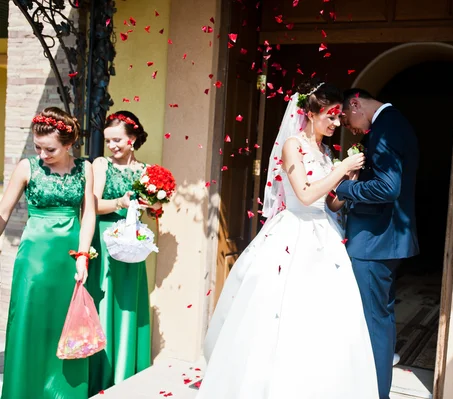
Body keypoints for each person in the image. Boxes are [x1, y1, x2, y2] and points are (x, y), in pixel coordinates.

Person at [197, 81, 379, 399]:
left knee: (324, 318)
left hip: (326, 234)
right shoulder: (292, 146)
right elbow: (306, 195)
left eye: (339, 117)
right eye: (331, 116)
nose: (337, 124)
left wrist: (347, 183)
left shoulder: (325, 151)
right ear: (310, 113)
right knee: (280, 312)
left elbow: (330, 202)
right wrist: (340, 171)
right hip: (293, 234)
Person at [0, 107, 95, 398]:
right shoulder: (27, 167)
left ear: (69, 145)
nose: (42, 154)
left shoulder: (85, 168)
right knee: (30, 324)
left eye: (50, 148)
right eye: (37, 146)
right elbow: (3, 213)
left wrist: (82, 256)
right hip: (34, 261)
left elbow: (88, 214)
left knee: (66, 327)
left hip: (68, 261)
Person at [338, 88, 420, 399]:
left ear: (355, 103)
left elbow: (388, 188)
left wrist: (345, 187)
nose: (350, 128)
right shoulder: (394, 121)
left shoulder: (386, 126)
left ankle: (375, 392)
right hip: (383, 240)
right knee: (378, 318)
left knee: (373, 322)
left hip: (374, 242)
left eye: (347, 120)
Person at [87, 111, 160, 395]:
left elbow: (153, 211)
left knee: (129, 301)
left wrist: (155, 203)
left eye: (117, 140)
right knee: (106, 301)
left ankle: (127, 372)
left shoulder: (146, 171)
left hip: (133, 245)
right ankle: (104, 374)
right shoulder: (102, 165)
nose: (112, 146)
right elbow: (91, 205)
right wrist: (119, 201)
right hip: (106, 243)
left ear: (132, 139)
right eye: (108, 140)